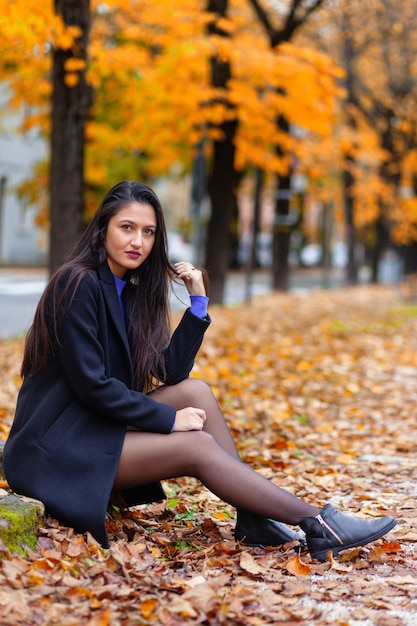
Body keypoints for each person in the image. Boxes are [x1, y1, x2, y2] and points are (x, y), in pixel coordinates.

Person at [3, 181, 397, 562]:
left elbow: (169, 371)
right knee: (196, 444)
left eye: (148, 231)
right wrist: (169, 420)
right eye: (126, 227)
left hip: (91, 427)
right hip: (54, 449)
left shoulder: (130, 289)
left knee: (195, 390)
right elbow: (93, 387)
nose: (137, 241)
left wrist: (197, 304)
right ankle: (318, 523)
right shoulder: (77, 283)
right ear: (103, 228)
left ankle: (255, 518)